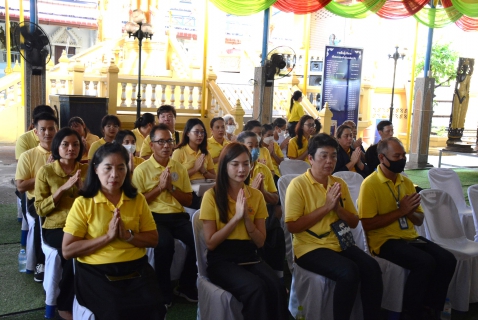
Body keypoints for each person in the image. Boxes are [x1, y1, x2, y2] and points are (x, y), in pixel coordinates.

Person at [285, 133, 383, 320]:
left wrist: (337, 209)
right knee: (349, 272)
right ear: (311, 159)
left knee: (371, 267)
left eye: (333, 156)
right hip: (309, 248)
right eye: (324, 156)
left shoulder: (339, 184)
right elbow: (292, 226)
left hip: (339, 242)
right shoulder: (298, 186)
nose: (329, 161)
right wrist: (326, 208)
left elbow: (354, 222)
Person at [358, 137, 457, 320]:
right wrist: (400, 211)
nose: (402, 159)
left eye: (403, 155)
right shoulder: (369, 185)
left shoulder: (406, 182)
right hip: (384, 241)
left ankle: (430, 306)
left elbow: (419, 220)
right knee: (425, 262)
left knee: (447, 259)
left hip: (409, 237)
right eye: (397, 156)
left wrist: (409, 212)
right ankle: (411, 311)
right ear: (382, 158)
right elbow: (366, 224)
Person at [62, 143, 165, 320]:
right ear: (95, 169)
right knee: (115, 312)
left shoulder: (137, 199)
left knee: (154, 307)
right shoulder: (83, 203)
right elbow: (67, 250)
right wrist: (107, 238)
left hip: (135, 266)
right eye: (108, 168)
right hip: (96, 270)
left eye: (121, 168)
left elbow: (153, 239)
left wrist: (129, 236)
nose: (114, 175)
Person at [200, 142, 288, 320]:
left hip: (250, 256)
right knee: (256, 288)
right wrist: (236, 218)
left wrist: (247, 218)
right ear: (225, 166)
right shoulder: (212, 196)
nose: (242, 169)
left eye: (246, 164)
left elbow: (260, 241)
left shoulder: (255, 196)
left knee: (277, 287)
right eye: (235, 164)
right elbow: (210, 242)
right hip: (221, 260)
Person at [132, 124, 197, 307]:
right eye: (161, 141)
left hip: (177, 216)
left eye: (169, 141)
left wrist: (171, 188)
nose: (166, 145)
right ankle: (162, 290)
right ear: (152, 145)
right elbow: (137, 203)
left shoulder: (179, 168)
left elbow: (189, 201)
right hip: (153, 217)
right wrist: (159, 188)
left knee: (199, 241)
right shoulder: (142, 170)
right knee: (165, 244)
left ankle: (186, 285)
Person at [34, 127, 88, 319]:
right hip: (56, 227)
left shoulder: (87, 170)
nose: (71, 148)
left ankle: (90, 298)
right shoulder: (46, 171)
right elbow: (39, 209)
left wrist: (83, 191)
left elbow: (94, 203)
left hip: (83, 226)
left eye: (75, 144)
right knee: (74, 253)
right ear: (57, 147)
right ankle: (64, 305)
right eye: (65, 144)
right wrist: (62, 189)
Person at [14, 104, 56, 282]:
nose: (47, 133)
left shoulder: (64, 151)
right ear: (36, 132)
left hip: (60, 198)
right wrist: (45, 171)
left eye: (51, 129)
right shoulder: (28, 156)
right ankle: (41, 262)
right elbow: (21, 186)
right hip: (36, 201)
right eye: (43, 129)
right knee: (43, 216)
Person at [172, 118, 216, 209]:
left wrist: (204, 171)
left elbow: (214, 177)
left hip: (205, 188)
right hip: (188, 190)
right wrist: (195, 169)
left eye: (202, 132)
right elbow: (174, 178)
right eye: (196, 132)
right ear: (188, 133)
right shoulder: (179, 152)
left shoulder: (205, 153)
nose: (200, 135)